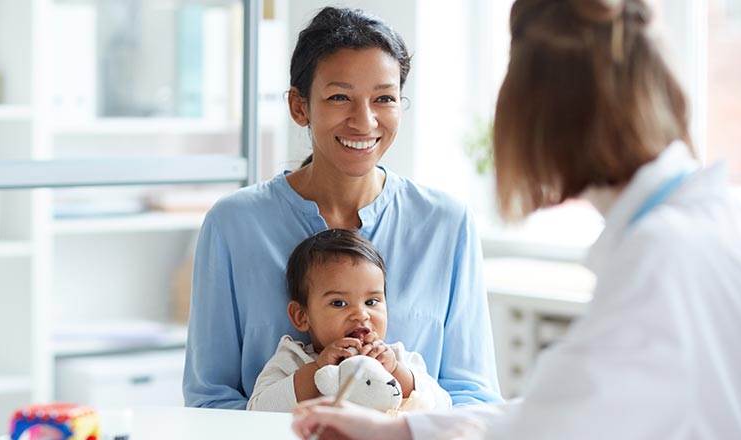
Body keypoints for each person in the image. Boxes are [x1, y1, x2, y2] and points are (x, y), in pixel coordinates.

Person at [291, 0, 741, 438]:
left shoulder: (664, 255)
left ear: (544, 114)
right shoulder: (712, 224)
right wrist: (396, 432)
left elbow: (551, 425)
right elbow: (561, 409)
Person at [183, 6, 502, 409]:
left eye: (384, 98)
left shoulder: (447, 224)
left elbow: (475, 399)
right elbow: (209, 402)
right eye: (339, 97)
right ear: (300, 107)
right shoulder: (233, 225)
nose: (364, 121)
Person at [246, 228, 452, 412]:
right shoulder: (293, 359)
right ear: (301, 316)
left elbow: (443, 406)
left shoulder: (398, 357)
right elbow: (257, 410)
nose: (361, 314)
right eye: (339, 303)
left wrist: (397, 372)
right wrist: (317, 370)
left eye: (371, 301)